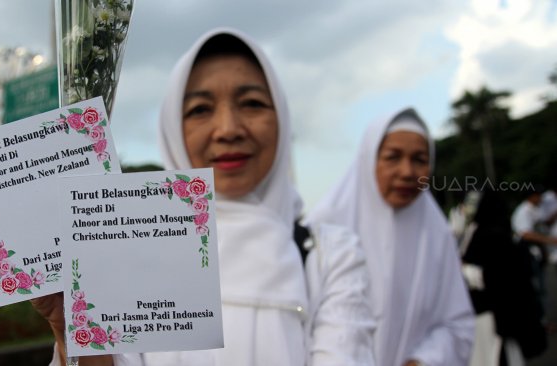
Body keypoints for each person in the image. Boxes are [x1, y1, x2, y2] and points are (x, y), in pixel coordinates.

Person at [33, 27, 374, 365]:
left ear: (282, 118)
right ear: (171, 128)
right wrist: (73, 327)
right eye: (200, 109)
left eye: (252, 103)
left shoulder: (330, 256)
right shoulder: (130, 250)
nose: (228, 129)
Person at [304, 107, 475, 366]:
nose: (407, 172)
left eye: (419, 159)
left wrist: (423, 361)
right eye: (392, 157)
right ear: (368, 160)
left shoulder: (437, 234)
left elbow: (457, 324)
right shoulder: (322, 229)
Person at [460, 189, 546, 365]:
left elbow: (492, 276)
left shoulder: (484, 235)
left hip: (487, 317)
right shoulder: (493, 235)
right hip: (495, 318)